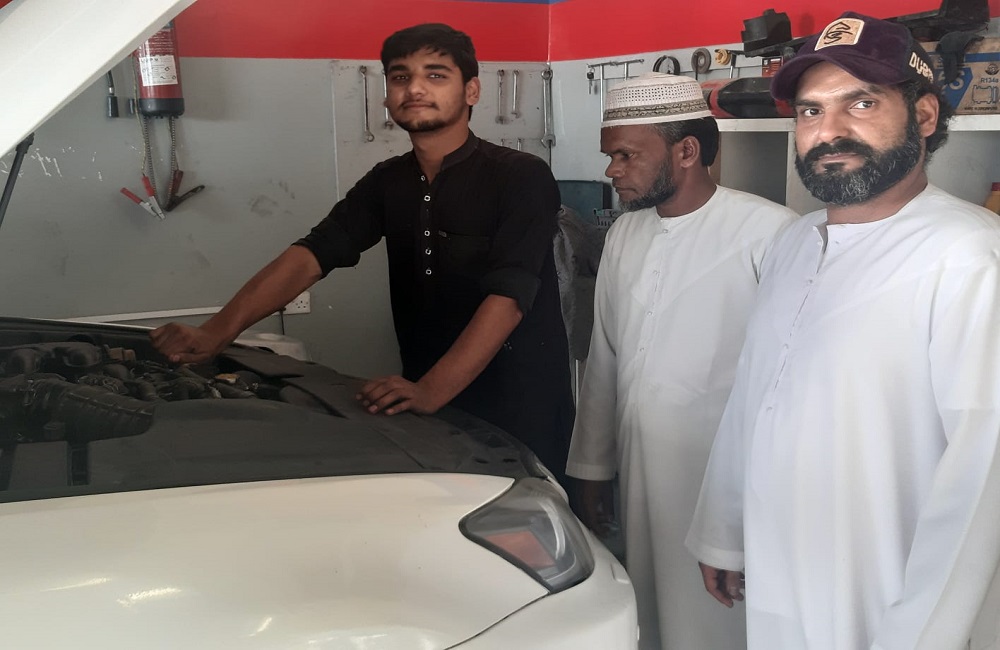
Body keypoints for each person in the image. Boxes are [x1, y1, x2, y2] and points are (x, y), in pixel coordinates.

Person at [686, 12, 1000, 649]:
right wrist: (724, 530)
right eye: (810, 111)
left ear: (925, 116)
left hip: (893, 592)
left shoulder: (968, 256)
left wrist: (926, 634)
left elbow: (983, 480)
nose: (828, 131)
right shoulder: (795, 242)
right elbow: (754, 396)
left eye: (861, 103)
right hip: (784, 566)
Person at [150, 23, 575, 483]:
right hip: (426, 400)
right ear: (387, 96)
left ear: (471, 90)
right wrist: (214, 333)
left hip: (519, 402)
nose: (415, 88)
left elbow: (509, 297)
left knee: (536, 515)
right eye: (400, 76)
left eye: (435, 75)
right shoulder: (388, 181)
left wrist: (432, 390)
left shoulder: (521, 176)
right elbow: (311, 256)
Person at [565, 72, 797, 649]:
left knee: (719, 623)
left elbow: (787, 385)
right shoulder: (625, 234)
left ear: (686, 151)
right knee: (650, 613)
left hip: (722, 478)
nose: (612, 170)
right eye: (610, 155)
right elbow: (605, 359)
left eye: (626, 155)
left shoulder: (771, 233)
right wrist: (592, 466)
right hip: (640, 471)